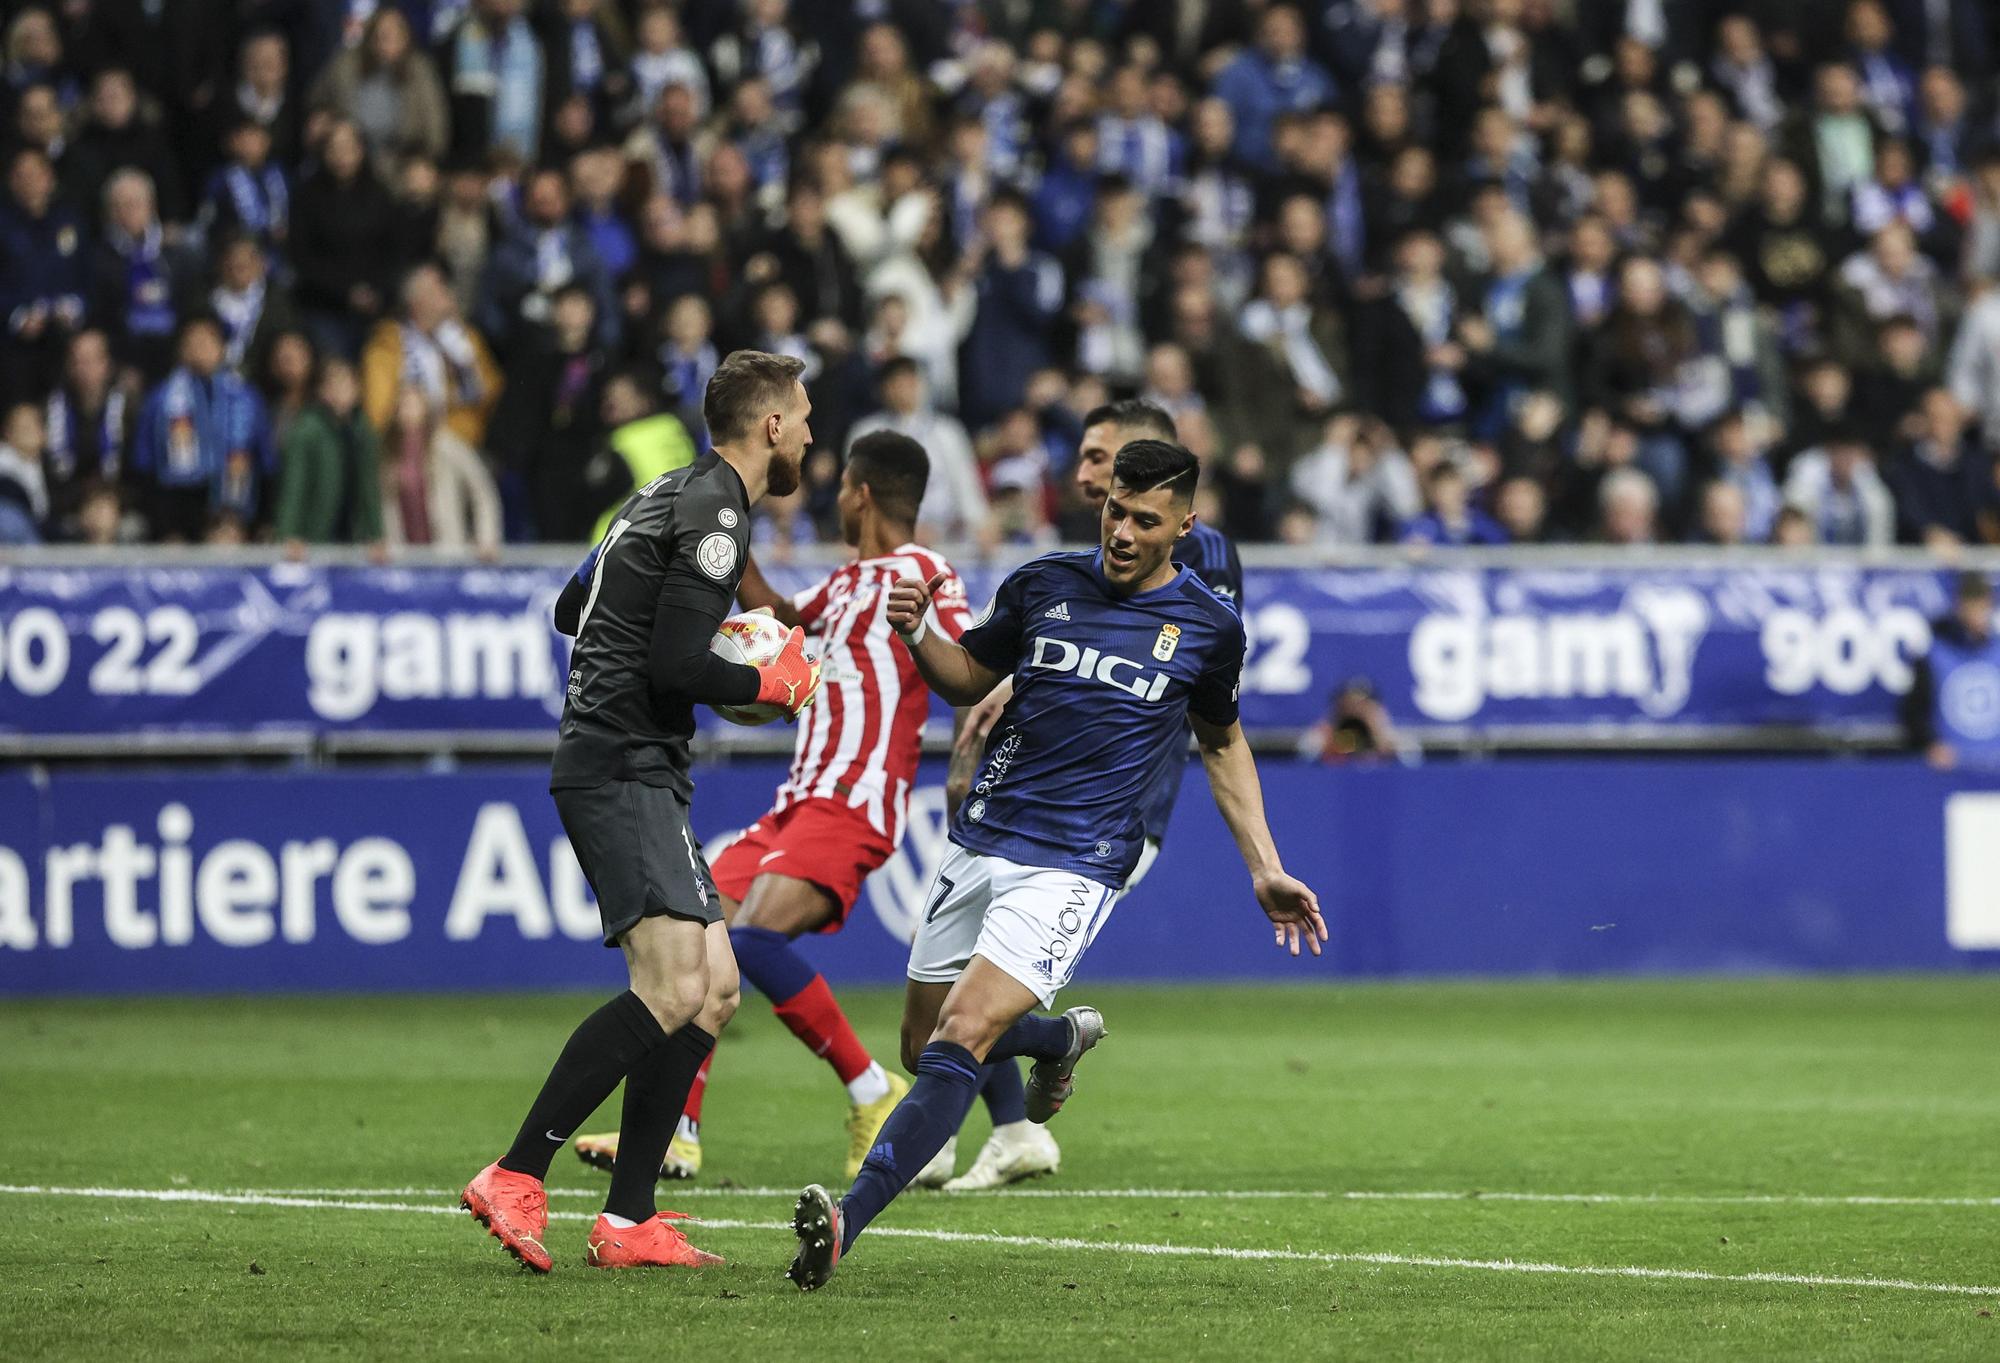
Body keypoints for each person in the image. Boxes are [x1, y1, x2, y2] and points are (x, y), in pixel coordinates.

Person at [785, 438, 1324, 1290]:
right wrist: (921, 629)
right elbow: (967, 677)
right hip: (984, 835)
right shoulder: (1043, 583)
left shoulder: (1210, 629)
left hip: (1077, 861)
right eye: (1115, 509)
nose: (1122, 530)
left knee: (961, 1033)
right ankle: (1058, 1036)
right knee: (922, 1039)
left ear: (1184, 525)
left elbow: (1221, 742)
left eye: (1146, 519)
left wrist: (1264, 865)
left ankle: (847, 1220)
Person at [460, 349, 823, 1274]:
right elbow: (672, 666)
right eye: (806, 417)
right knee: (668, 988)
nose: (812, 435)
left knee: (717, 983)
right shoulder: (717, 510)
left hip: (638, 762)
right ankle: (515, 1170)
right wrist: (765, 679)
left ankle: (628, 1221)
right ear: (771, 425)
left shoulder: (662, 492)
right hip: (621, 761)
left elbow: (570, 604)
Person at [569, 429, 977, 1186]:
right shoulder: (842, 587)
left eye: (841, 486)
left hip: (854, 797)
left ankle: (871, 1089)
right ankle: (678, 1131)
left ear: (860, 492)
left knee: (752, 938)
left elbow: (966, 657)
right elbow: (780, 610)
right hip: (798, 800)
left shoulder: (924, 570)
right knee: (701, 935)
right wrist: (726, 513)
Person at [274, 357, 383, 557]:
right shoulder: (307, 429)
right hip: (315, 536)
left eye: (346, 384)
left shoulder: (362, 430)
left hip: (352, 536)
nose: (341, 392)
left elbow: (369, 489)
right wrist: (288, 533)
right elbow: (294, 486)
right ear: (322, 391)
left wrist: (376, 535)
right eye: (334, 385)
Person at [1904, 572, 2000, 771]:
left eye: (1982, 607)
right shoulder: (1935, 652)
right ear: (1960, 607)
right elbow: (1913, 708)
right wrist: (1930, 744)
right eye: (1972, 607)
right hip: (1950, 765)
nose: (1978, 615)